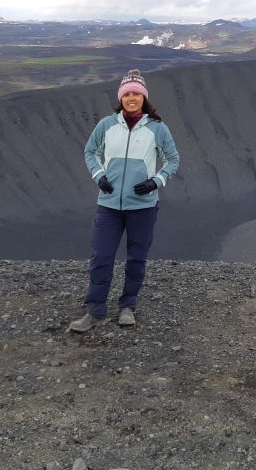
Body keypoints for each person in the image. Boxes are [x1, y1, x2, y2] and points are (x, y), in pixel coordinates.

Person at [68, 69, 180, 331]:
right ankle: (94, 311)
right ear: (121, 98)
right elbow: (90, 151)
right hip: (108, 205)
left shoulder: (157, 128)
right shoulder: (106, 125)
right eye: (127, 93)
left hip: (143, 207)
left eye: (136, 94)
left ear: (143, 98)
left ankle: (128, 306)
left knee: (136, 257)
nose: (131, 98)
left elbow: (173, 159)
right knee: (101, 257)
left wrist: (157, 181)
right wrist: (99, 175)